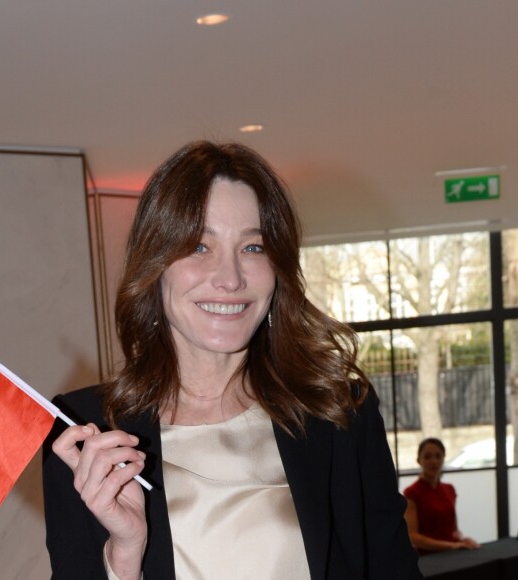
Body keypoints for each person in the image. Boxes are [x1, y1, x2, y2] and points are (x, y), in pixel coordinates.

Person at [43, 140, 422, 579]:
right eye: (199, 247)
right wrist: (124, 557)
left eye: (253, 247)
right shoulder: (86, 435)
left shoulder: (337, 411)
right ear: (155, 264)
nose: (230, 278)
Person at [403, 437, 481, 555]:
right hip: (427, 559)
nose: (433, 461)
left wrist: (463, 539)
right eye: (427, 457)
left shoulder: (449, 489)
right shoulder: (411, 493)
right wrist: (452, 545)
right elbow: (413, 537)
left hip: (452, 554)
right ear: (419, 460)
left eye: (438, 456)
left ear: (444, 459)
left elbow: (454, 530)